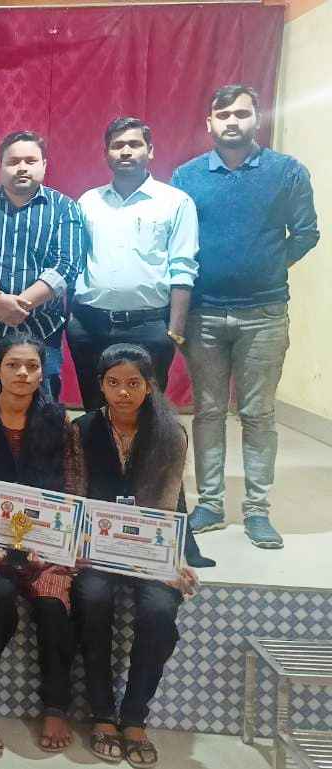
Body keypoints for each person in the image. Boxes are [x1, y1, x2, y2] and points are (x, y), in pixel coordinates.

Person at [171, 84, 320, 549]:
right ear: (209, 123)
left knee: (258, 414)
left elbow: (307, 233)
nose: (232, 121)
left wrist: (268, 267)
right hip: (204, 315)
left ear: (257, 118)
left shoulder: (286, 172)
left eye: (241, 113)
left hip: (265, 314)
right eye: (223, 115)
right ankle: (211, 504)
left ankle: (257, 510)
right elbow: (177, 240)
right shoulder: (187, 176)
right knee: (209, 412)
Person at [68, 344, 201, 768]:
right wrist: (76, 546)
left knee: (161, 608)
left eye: (133, 383)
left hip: (148, 548)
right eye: (113, 383)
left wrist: (169, 561)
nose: (122, 392)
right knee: (91, 598)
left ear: (149, 386)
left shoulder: (170, 433)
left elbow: (166, 505)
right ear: (101, 385)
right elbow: (77, 494)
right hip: (98, 547)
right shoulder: (82, 429)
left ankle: (134, 717)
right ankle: (102, 714)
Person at [0, 332, 75, 755]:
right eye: (13, 365)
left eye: (31, 366)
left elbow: (70, 485)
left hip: (45, 547)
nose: (23, 373)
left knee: (53, 605)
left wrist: (58, 539)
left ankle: (56, 705)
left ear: (43, 373)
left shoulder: (58, 421)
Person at [0, 131, 86, 409]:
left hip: (42, 334)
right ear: (0, 165)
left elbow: (67, 265)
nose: (22, 167)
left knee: (43, 416)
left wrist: (20, 304)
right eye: (13, 161)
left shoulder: (64, 208)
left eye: (30, 161)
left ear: (44, 165)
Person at [71, 117, 199, 411]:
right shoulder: (88, 202)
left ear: (150, 150)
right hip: (90, 325)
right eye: (117, 146)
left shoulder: (175, 202)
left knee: (146, 413)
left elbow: (183, 267)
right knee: (96, 412)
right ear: (106, 154)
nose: (125, 151)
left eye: (134, 144)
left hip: (149, 326)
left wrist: (175, 329)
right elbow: (75, 261)